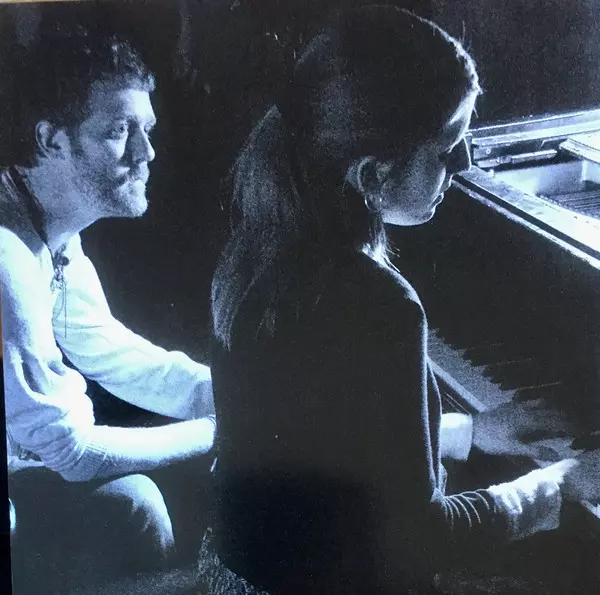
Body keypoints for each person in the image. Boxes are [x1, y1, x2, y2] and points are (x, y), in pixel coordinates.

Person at [205, 6, 600, 594]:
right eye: (447, 149)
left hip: (237, 570)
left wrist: (469, 432)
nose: (466, 165)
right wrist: (557, 485)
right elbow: (418, 540)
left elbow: (328, 445)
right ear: (372, 176)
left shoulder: (257, 250)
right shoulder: (381, 304)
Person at [1, 28, 215, 592]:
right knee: (134, 504)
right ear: (52, 139)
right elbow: (71, 450)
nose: (147, 153)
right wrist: (225, 428)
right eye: (120, 131)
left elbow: (111, 350)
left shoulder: (49, 231)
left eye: (147, 130)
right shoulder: (7, 255)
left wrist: (226, 391)